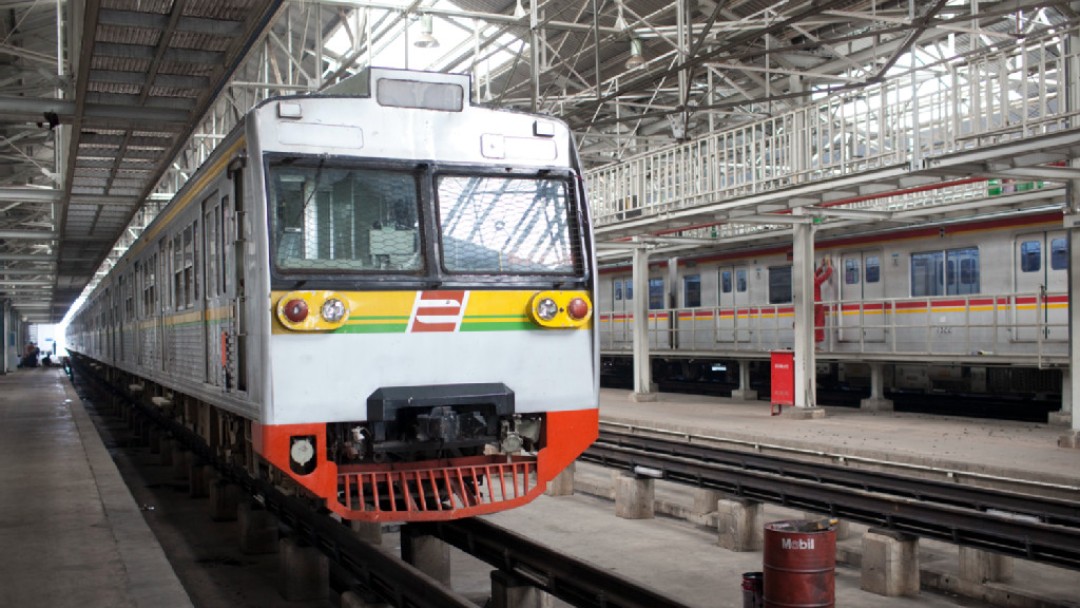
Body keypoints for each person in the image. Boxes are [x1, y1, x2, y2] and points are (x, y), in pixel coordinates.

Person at [813, 256, 833, 344]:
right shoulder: (816, 282)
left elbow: (815, 274)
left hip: (812, 304)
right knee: (819, 322)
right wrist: (829, 265)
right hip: (817, 304)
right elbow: (826, 275)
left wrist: (821, 267)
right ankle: (816, 342)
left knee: (814, 323)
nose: (815, 274)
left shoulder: (810, 281)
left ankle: (814, 344)